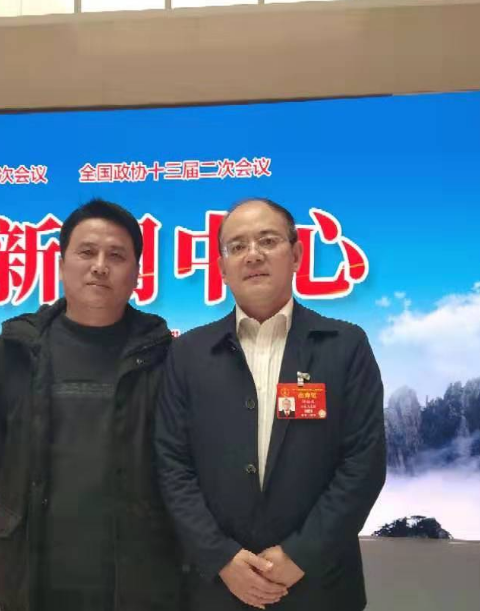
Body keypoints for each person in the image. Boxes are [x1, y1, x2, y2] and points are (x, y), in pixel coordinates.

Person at [155, 197, 386, 611]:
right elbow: (172, 464)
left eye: (267, 240)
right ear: (222, 267)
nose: (253, 255)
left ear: (296, 255)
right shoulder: (188, 353)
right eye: (237, 246)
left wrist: (301, 555)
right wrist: (221, 557)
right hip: (217, 588)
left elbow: (363, 464)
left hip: (320, 585)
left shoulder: (344, 346)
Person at [0, 199, 182, 611]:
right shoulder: (16, 350)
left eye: (116, 256)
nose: (100, 266)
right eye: (87, 252)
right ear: (61, 263)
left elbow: (181, 458)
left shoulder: (164, 355)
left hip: (139, 571)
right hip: (34, 567)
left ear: (137, 273)